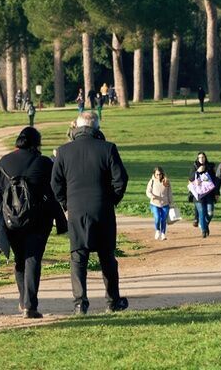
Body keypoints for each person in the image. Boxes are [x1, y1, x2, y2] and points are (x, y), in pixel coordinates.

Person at [52, 112, 129, 315]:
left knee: (78, 257)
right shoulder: (108, 148)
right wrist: (112, 200)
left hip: (76, 210)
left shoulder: (63, 151)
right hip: (102, 209)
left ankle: (80, 302)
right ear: (96, 127)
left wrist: (65, 203)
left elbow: (55, 183)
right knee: (107, 257)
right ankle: (112, 301)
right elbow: (121, 179)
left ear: (77, 127)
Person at [0, 127, 65, 318]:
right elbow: (55, 192)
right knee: (33, 259)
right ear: (37, 144)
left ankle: (23, 301)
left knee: (20, 259)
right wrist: (61, 220)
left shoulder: (3, 163)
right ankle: (30, 304)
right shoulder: (44, 163)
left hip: (11, 221)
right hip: (39, 221)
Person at [188, 152, 218, 238]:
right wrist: (197, 171)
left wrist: (216, 193)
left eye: (203, 157)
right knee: (202, 212)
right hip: (198, 195)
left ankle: (204, 223)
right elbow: (190, 179)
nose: (201, 159)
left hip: (209, 194)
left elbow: (215, 180)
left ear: (205, 158)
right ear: (197, 158)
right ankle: (204, 231)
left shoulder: (210, 167)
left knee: (210, 212)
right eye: (200, 157)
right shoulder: (194, 167)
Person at [146, 167, 172, 241]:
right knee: (157, 218)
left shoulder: (166, 181)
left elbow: (169, 193)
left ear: (162, 174)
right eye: (157, 174)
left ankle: (163, 234)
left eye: (160, 174)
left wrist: (171, 202)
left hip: (165, 203)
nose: (158, 176)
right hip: (154, 203)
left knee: (163, 219)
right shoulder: (152, 181)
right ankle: (157, 230)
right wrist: (151, 196)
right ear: (154, 174)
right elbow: (148, 191)